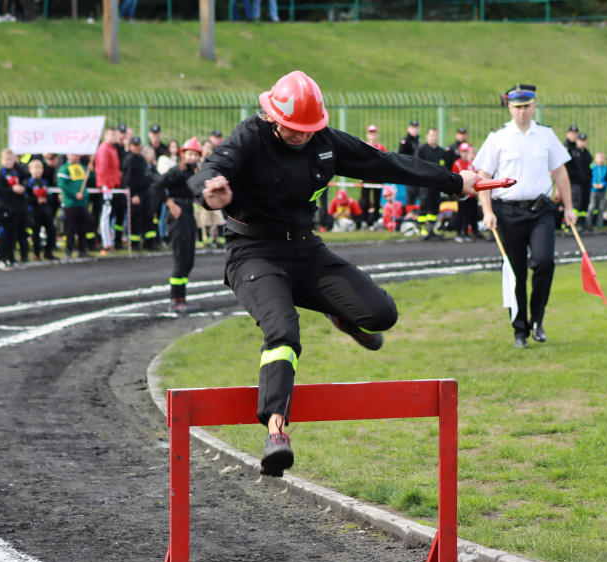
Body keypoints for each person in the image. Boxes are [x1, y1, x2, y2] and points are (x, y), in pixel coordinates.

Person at [188, 70, 479, 477]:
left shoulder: (324, 140)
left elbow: (384, 163)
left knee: (382, 315)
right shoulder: (250, 136)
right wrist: (210, 187)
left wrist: (454, 182)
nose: (301, 136)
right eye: (293, 129)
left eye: (308, 129)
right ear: (273, 117)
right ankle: (276, 431)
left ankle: (340, 314)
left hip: (306, 249)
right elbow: (212, 167)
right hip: (254, 254)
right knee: (283, 332)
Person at [474, 83, 574, 350]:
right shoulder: (498, 137)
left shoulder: (546, 135)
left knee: (544, 262)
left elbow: (560, 172)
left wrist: (569, 207)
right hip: (507, 213)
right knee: (515, 273)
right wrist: (487, 211)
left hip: (540, 211)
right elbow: (483, 177)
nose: (521, 112)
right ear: (510, 107)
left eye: (526, 107)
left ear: (534, 106)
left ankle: (537, 319)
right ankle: (520, 331)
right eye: (517, 107)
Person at [154, 137, 203, 314]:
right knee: (181, 258)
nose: (192, 157)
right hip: (178, 214)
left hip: (188, 213)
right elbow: (157, 186)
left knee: (189, 259)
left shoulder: (193, 174)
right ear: (183, 155)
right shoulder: (176, 172)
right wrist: (170, 204)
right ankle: (175, 300)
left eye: (195, 155)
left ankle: (182, 298)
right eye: (190, 154)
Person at [0, 148, 28, 268]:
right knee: (4, 233)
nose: (9, 162)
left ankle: (11, 258)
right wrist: (11, 189)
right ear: (2, 160)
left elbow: (25, 175)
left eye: (11, 159)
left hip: (14, 207)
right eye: (7, 159)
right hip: (3, 207)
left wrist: (21, 187)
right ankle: (1, 258)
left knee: (12, 233)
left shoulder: (15, 171)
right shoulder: (0, 172)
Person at [122, 135, 158, 250]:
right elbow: (127, 179)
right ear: (131, 146)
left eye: (138, 145)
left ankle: (149, 242)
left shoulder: (141, 159)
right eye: (135, 145)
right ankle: (135, 243)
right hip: (136, 194)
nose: (137, 147)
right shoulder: (130, 159)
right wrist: (133, 195)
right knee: (135, 219)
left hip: (145, 193)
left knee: (148, 217)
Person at [94, 127, 124, 253]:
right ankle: (105, 244)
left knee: (109, 214)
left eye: (115, 135)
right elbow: (103, 169)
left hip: (112, 185)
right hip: (107, 186)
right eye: (112, 135)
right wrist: (106, 185)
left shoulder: (112, 149)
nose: (114, 137)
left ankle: (108, 241)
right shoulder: (104, 149)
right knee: (105, 215)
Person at [57, 153, 90, 258]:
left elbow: (88, 181)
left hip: (82, 203)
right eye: (73, 155)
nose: (75, 157)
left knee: (83, 227)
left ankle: (82, 249)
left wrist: (91, 170)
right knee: (70, 228)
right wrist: (74, 194)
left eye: (76, 155)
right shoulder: (64, 168)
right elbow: (62, 184)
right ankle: (69, 249)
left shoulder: (83, 167)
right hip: (70, 203)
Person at [414, 126, 446, 237]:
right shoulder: (422, 150)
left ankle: (431, 228)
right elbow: (417, 164)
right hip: (425, 183)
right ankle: (422, 229)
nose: (434, 137)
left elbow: (444, 166)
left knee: (434, 206)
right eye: (432, 135)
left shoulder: (441, 151)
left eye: (436, 135)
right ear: (427, 136)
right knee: (424, 206)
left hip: (436, 183)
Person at [25, 158, 56, 260]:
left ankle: (48, 251)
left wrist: (45, 199)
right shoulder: (28, 183)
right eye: (35, 169)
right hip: (34, 211)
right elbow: (26, 197)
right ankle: (36, 253)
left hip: (45, 210)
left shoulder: (44, 182)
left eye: (39, 169)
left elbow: (51, 196)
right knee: (36, 233)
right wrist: (36, 200)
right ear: (30, 170)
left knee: (51, 230)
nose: (37, 171)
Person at [451, 142, 480, 242]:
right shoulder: (457, 163)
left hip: (471, 195)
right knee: (462, 214)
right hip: (462, 194)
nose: (465, 154)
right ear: (460, 152)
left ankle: (468, 232)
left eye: (466, 151)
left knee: (470, 214)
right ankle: (461, 232)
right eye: (463, 152)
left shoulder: (471, 163)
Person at [359, 124, 387, 227]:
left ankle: (375, 220)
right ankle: (364, 221)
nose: (373, 136)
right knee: (365, 201)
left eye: (374, 133)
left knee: (377, 201)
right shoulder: (364, 146)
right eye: (371, 133)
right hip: (366, 178)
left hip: (377, 178)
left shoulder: (381, 147)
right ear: (367, 135)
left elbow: (385, 162)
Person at [397, 120, 421, 209]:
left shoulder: (417, 141)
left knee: (418, 193)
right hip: (409, 170)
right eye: (413, 128)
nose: (415, 130)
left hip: (417, 170)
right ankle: (409, 213)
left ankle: (415, 212)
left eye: (416, 128)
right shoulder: (405, 141)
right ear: (409, 129)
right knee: (411, 193)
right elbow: (401, 156)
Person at [574, 133, 593, 229]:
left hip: (587, 182)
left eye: (584, 141)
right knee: (578, 202)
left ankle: (583, 222)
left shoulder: (587, 153)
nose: (582, 143)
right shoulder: (575, 153)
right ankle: (575, 223)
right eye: (580, 141)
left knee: (585, 202)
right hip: (578, 182)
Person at [588, 151, 607, 230]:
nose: (600, 160)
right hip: (593, 190)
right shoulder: (592, 167)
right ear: (595, 159)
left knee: (601, 207)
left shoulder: (606, 169)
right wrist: (593, 184)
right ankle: (589, 221)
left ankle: (600, 222)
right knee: (592, 206)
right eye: (598, 158)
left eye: (602, 158)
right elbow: (589, 177)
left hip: (602, 191)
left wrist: (603, 184)